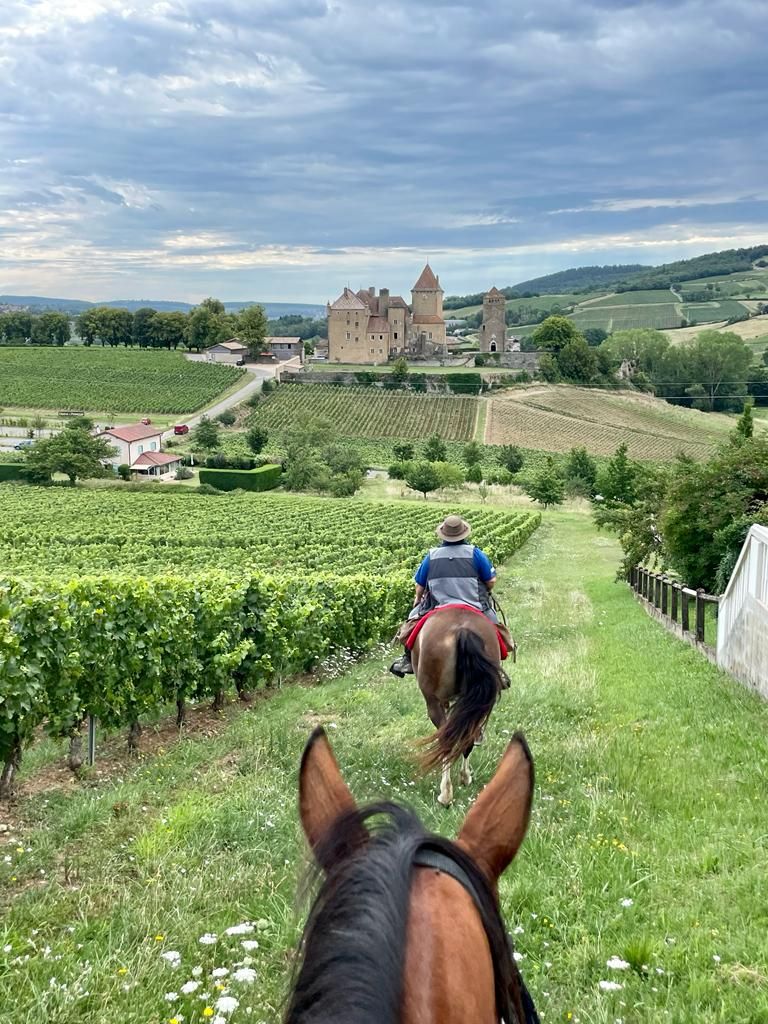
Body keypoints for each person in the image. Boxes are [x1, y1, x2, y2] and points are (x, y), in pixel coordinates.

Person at [389, 514, 514, 677]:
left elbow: (419, 586)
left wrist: (417, 600)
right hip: (475, 605)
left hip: (437, 605)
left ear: (443, 534)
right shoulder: (475, 553)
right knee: (493, 624)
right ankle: (497, 668)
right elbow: (491, 581)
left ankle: (407, 659)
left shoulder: (431, 556)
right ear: (464, 533)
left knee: (410, 624)